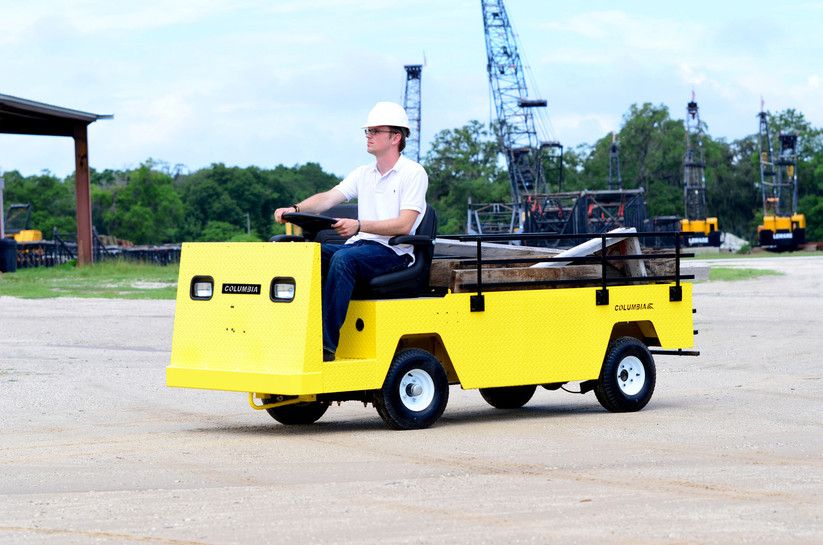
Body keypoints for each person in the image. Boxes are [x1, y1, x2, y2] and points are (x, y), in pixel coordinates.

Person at [274, 102, 428, 362]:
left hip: (394, 252)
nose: (368, 135)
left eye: (375, 131)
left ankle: (324, 346)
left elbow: (404, 225)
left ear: (395, 137)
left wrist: (359, 225)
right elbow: (327, 199)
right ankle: (288, 335)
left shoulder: (413, 173)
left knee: (343, 260)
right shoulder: (363, 173)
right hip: (361, 246)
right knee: (301, 254)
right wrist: (294, 208)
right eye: (367, 130)